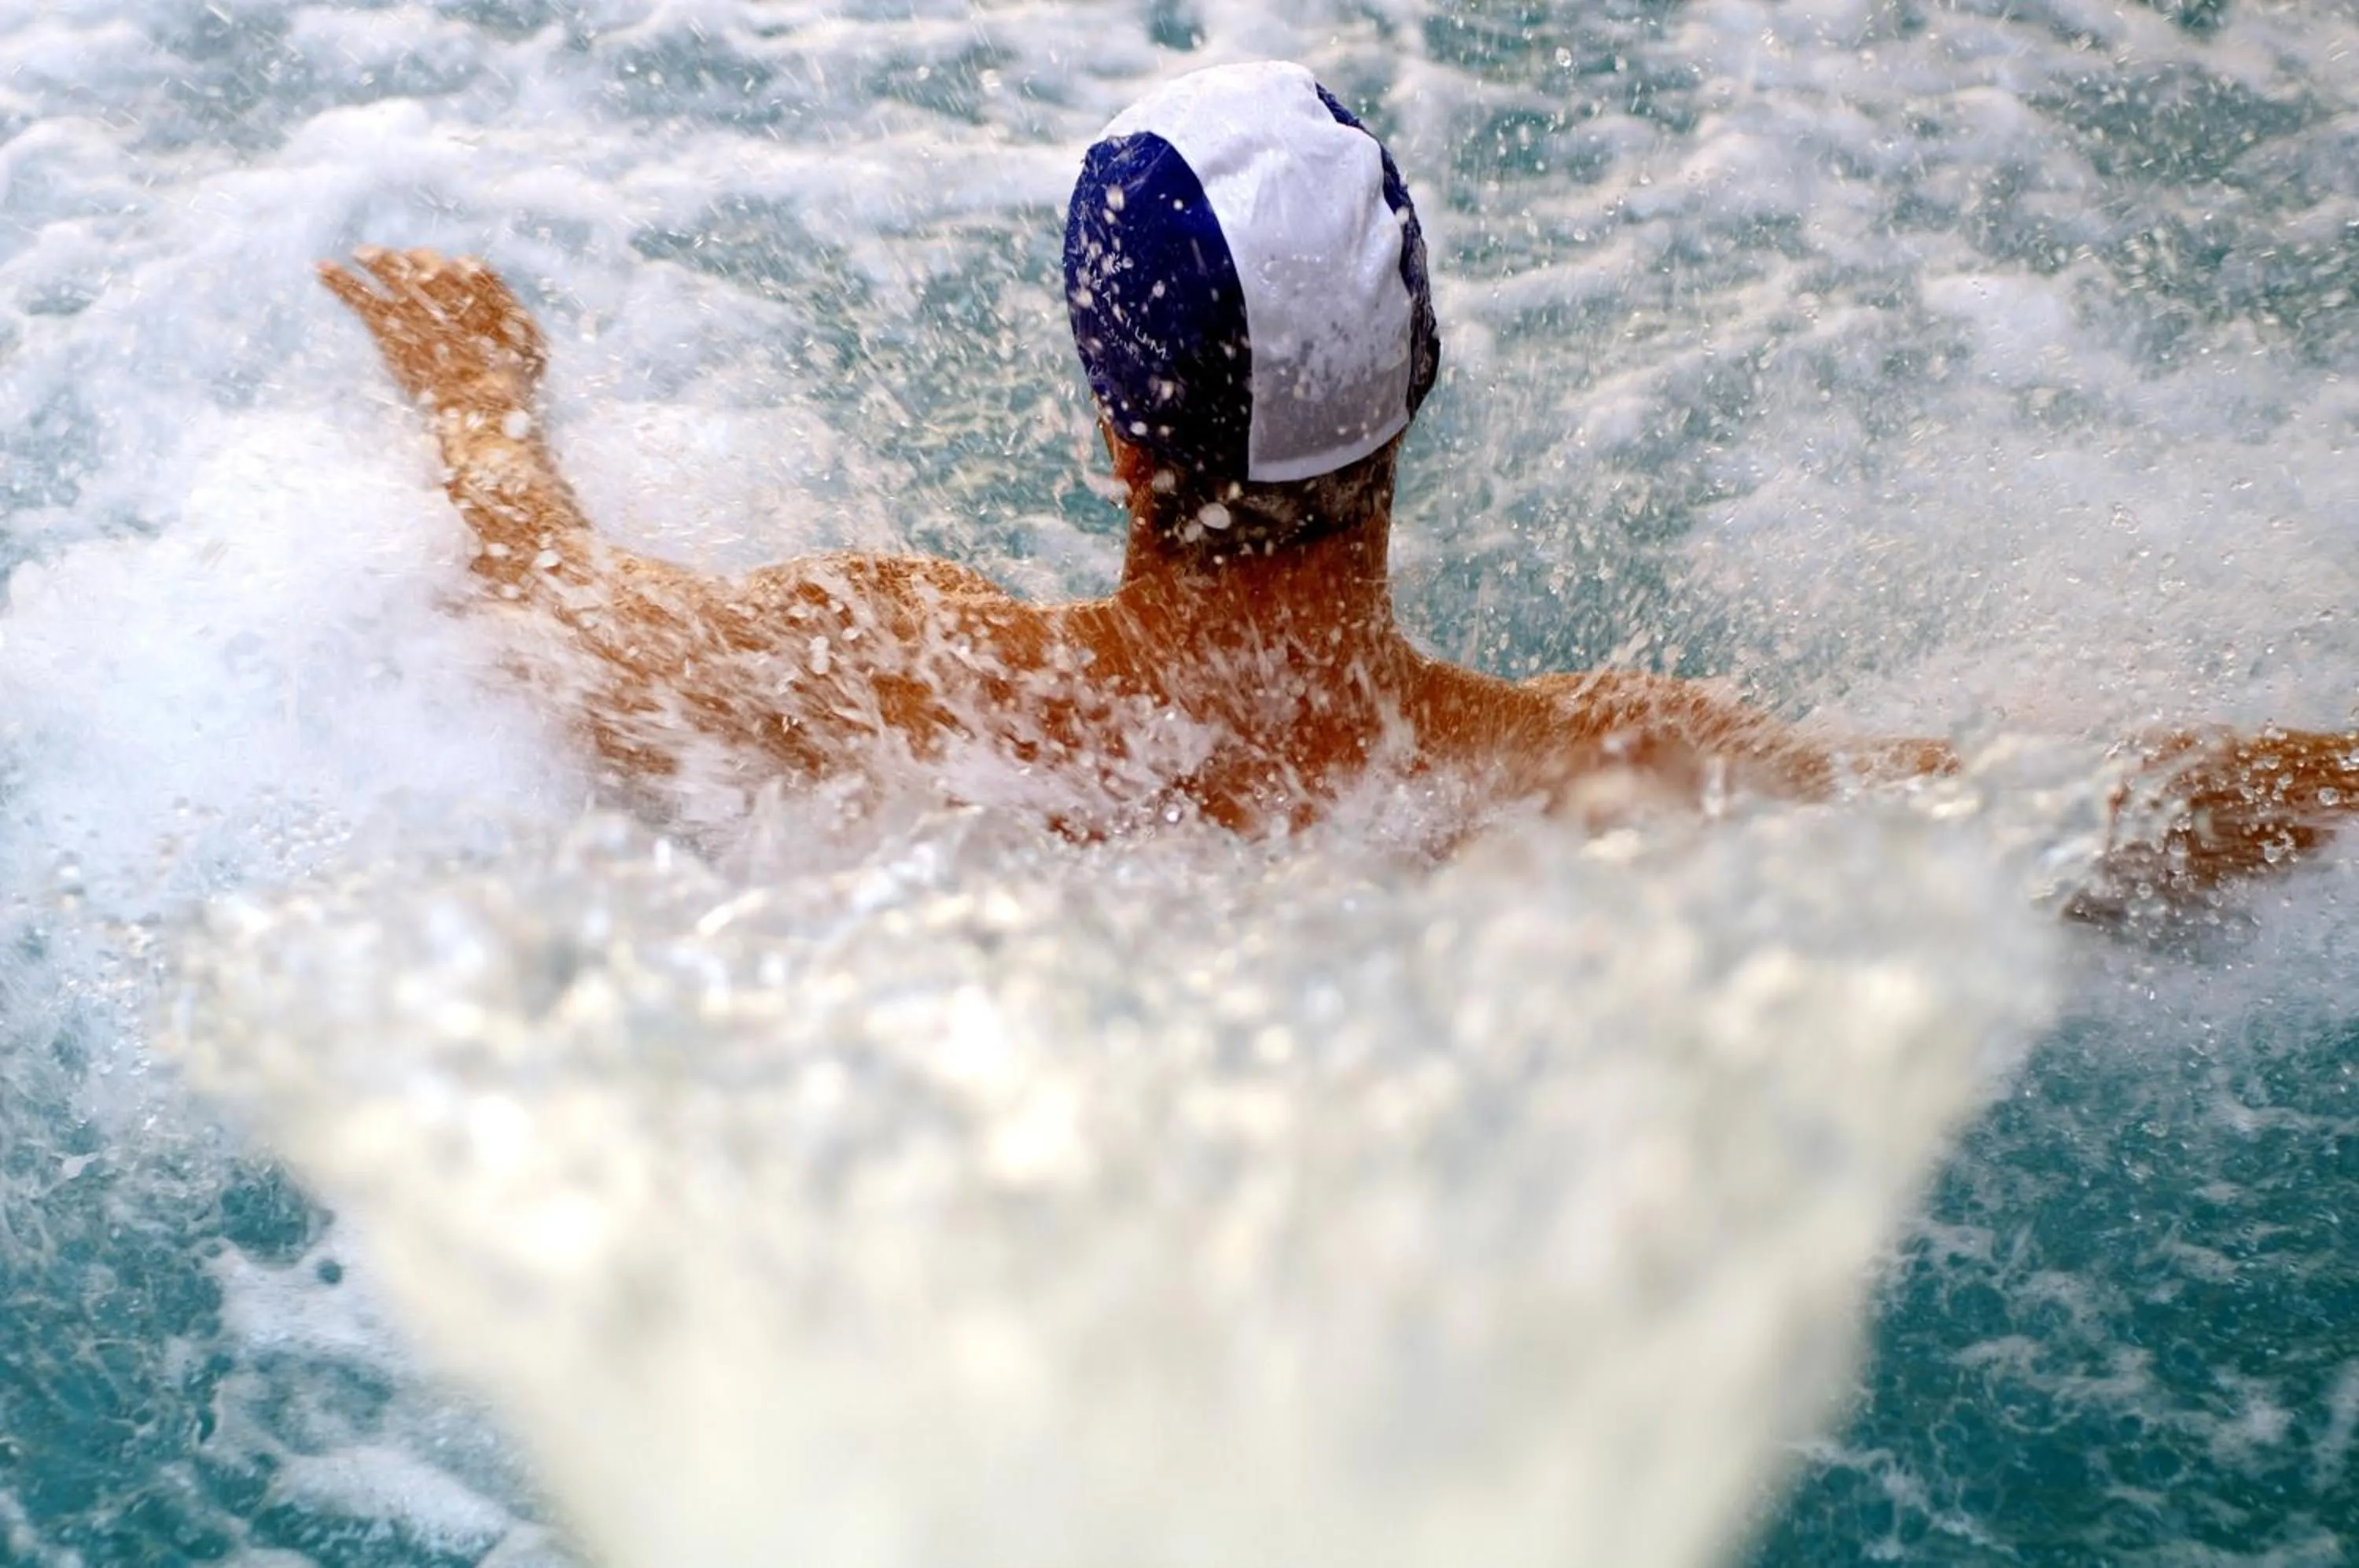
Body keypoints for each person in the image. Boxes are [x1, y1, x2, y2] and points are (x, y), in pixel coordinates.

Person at [320, 61, 2356, 915]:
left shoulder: (905, 682)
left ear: (1119, 434)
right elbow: (2098, 821)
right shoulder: (1596, 789)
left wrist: (482, 395)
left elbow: (545, 621)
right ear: (1414, 392)